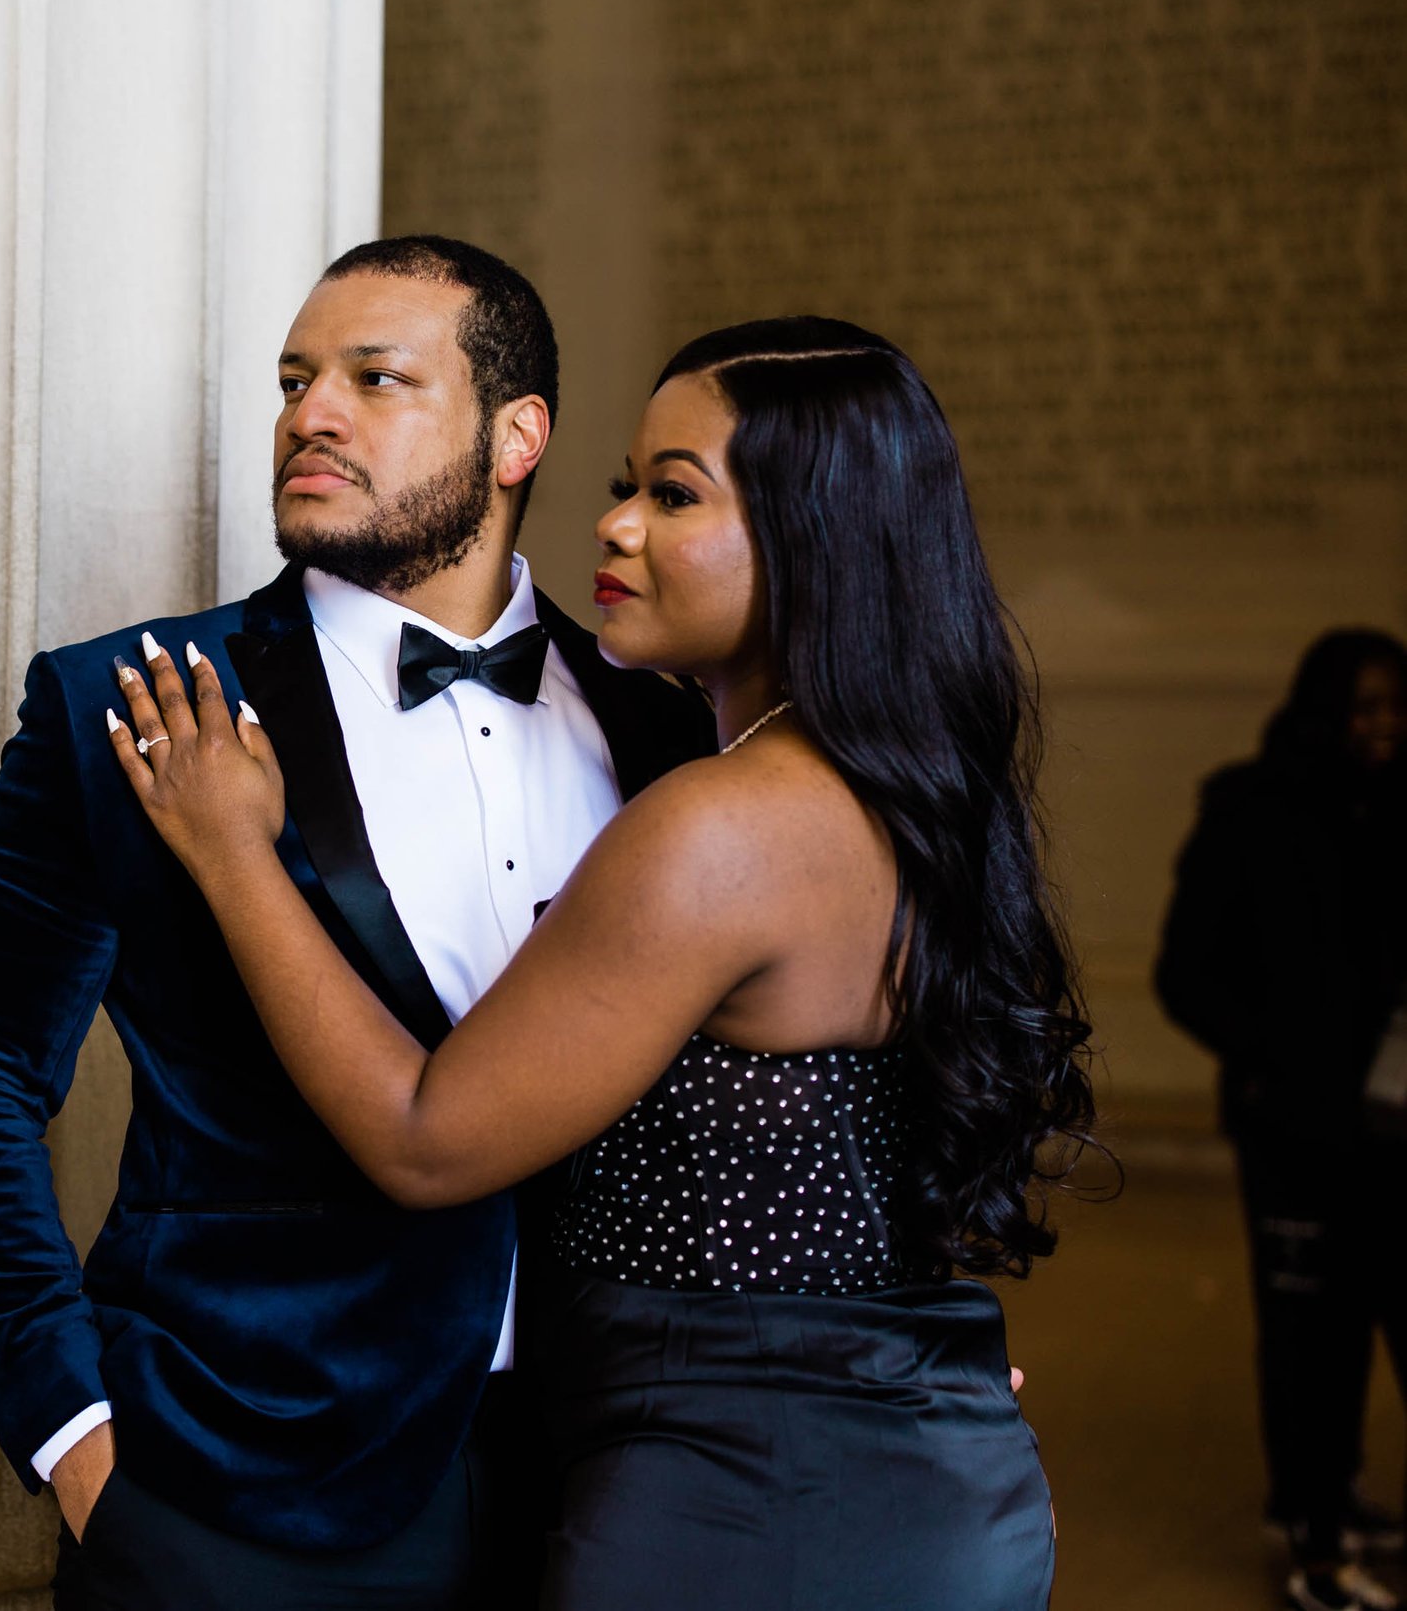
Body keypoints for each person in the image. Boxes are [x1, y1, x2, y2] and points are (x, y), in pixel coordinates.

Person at [101, 317, 1088, 1607]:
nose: (615, 524)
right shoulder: (901, 797)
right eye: (625, 484)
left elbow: (422, 1137)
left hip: (741, 1498)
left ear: (817, 536)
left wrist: (233, 853)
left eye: (675, 494)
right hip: (918, 1462)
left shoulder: (714, 827)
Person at [0, 236, 712, 1607]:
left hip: (610, 1473)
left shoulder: (660, 726)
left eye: (374, 378)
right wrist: (72, 1431)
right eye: (294, 380)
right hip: (232, 1476)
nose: (309, 414)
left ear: (519, 436)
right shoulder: (131, 702)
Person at [1157, 628, 1407, 1611]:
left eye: (1396, 704)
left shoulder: (1397, 808)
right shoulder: (1250, 806)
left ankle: (1331, 1496)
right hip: (1294, 1129)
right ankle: (1310, 1527)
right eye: (1365, 703)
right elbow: (1182, 972)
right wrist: (1272, 1063)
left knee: (1366, 1316)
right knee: (1310, 1326)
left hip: (1389, 1127)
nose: (1382, 724)